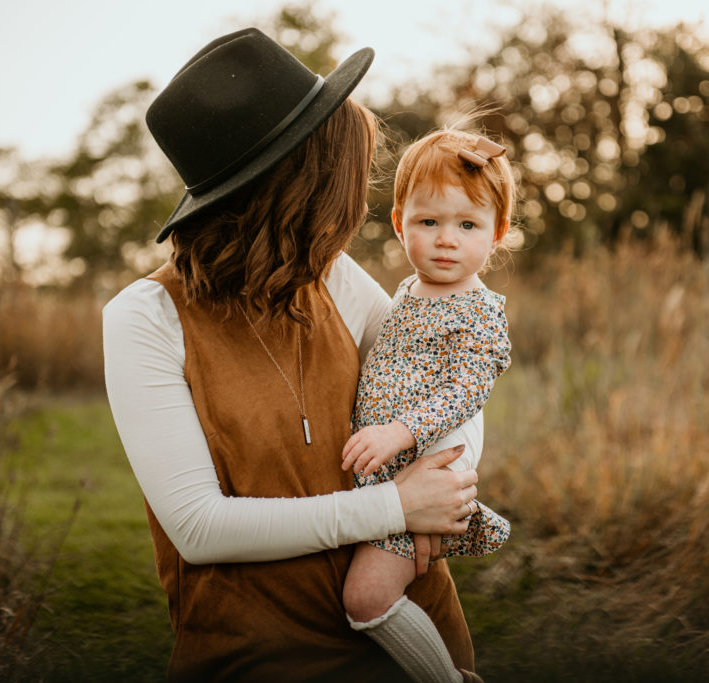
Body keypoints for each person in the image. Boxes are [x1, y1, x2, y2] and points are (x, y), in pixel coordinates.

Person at [102, 28, 484, 682]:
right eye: (343, 175)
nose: (358, 199)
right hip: (260, 658)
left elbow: (448, 376)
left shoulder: (331, 276)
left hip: (412, 642)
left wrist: (450, 474)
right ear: (294, 184)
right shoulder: (145, 318)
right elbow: (199, 526)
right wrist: (395, 507)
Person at [337, 128, 518, 682]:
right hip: (393, 464)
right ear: (399, 224)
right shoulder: (406, 293)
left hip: (432, 465)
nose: (446, 240)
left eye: (467, 225)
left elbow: (465, 389)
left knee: (365, 598)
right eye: (428, 222)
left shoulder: (479, 310)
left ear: (497, 234)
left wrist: (399, 432)